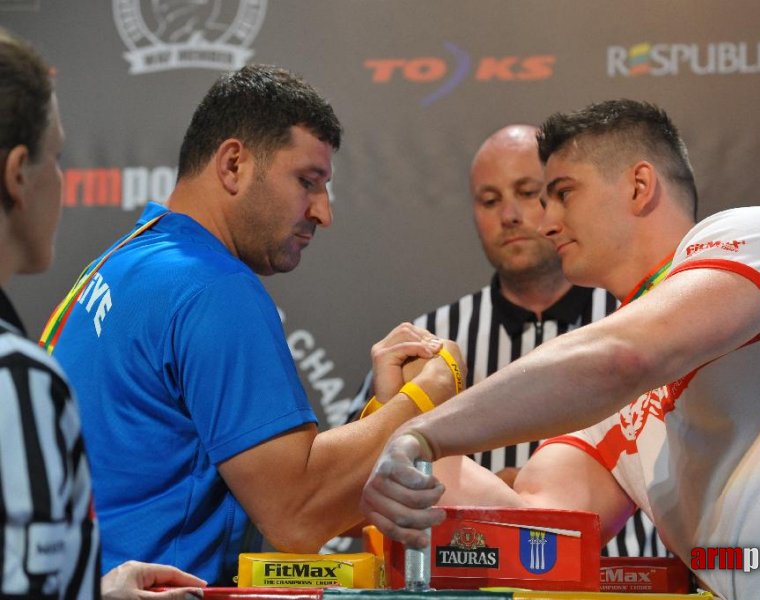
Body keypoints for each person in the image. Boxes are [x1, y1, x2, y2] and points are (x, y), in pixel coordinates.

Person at [360, 100, 760, 599]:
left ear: (640, 185)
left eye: (563, 193)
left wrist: (425, 434)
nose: (547, 223)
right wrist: (405, 408)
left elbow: (625, 356)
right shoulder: (611, 391)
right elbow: (535, 527)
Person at [43, 64, 463, 585]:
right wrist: (427, 399)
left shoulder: (126, 259)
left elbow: (293, 490)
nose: (323, 212)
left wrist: (382, 412)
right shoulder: (214, 288)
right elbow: (296, 515)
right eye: (307, 182)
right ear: (234, 164)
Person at [349, 124, 666, 558]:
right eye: (490, 200)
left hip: (632, 581)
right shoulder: (427, 340)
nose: (510, 215)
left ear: (560, 201)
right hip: (472, 581)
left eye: (528, 192)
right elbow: (350, 497)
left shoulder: (642, 318)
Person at [0, 27, 204, 599]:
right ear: (18, 174)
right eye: (58, 156)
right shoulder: (17, 379)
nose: (62, 180)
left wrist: (93, 589)